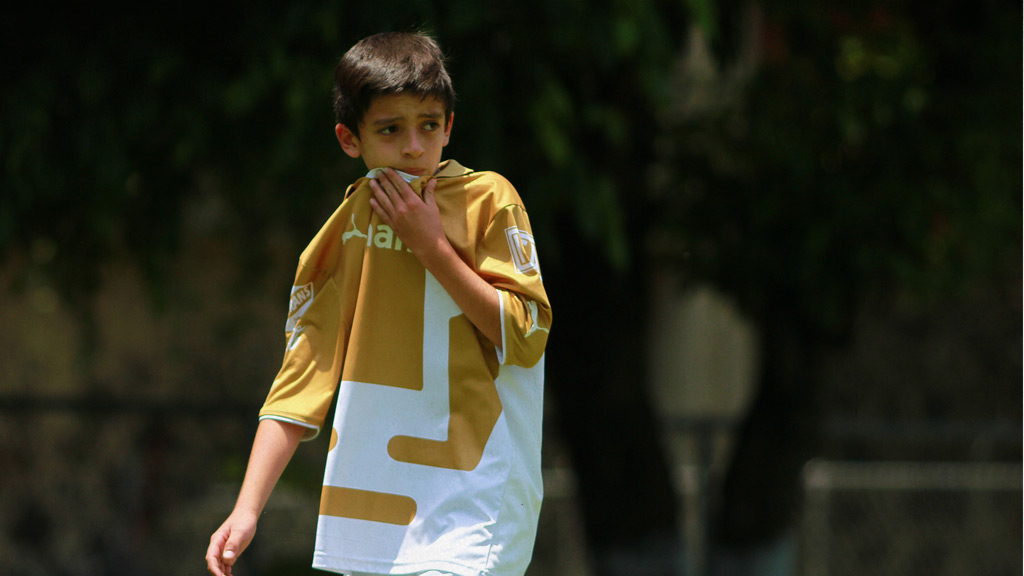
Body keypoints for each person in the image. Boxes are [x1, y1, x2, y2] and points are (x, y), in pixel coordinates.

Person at [206, 31, 552, 576]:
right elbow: (302, 378)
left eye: (429, 126)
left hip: (475, 503)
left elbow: (527, 336)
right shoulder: (344, 231)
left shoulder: (491, 199)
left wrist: (432, 247)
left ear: (449, 127)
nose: (414, 147)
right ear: (350, 139)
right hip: (370, 513)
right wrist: (247, 510)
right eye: (391, 130)